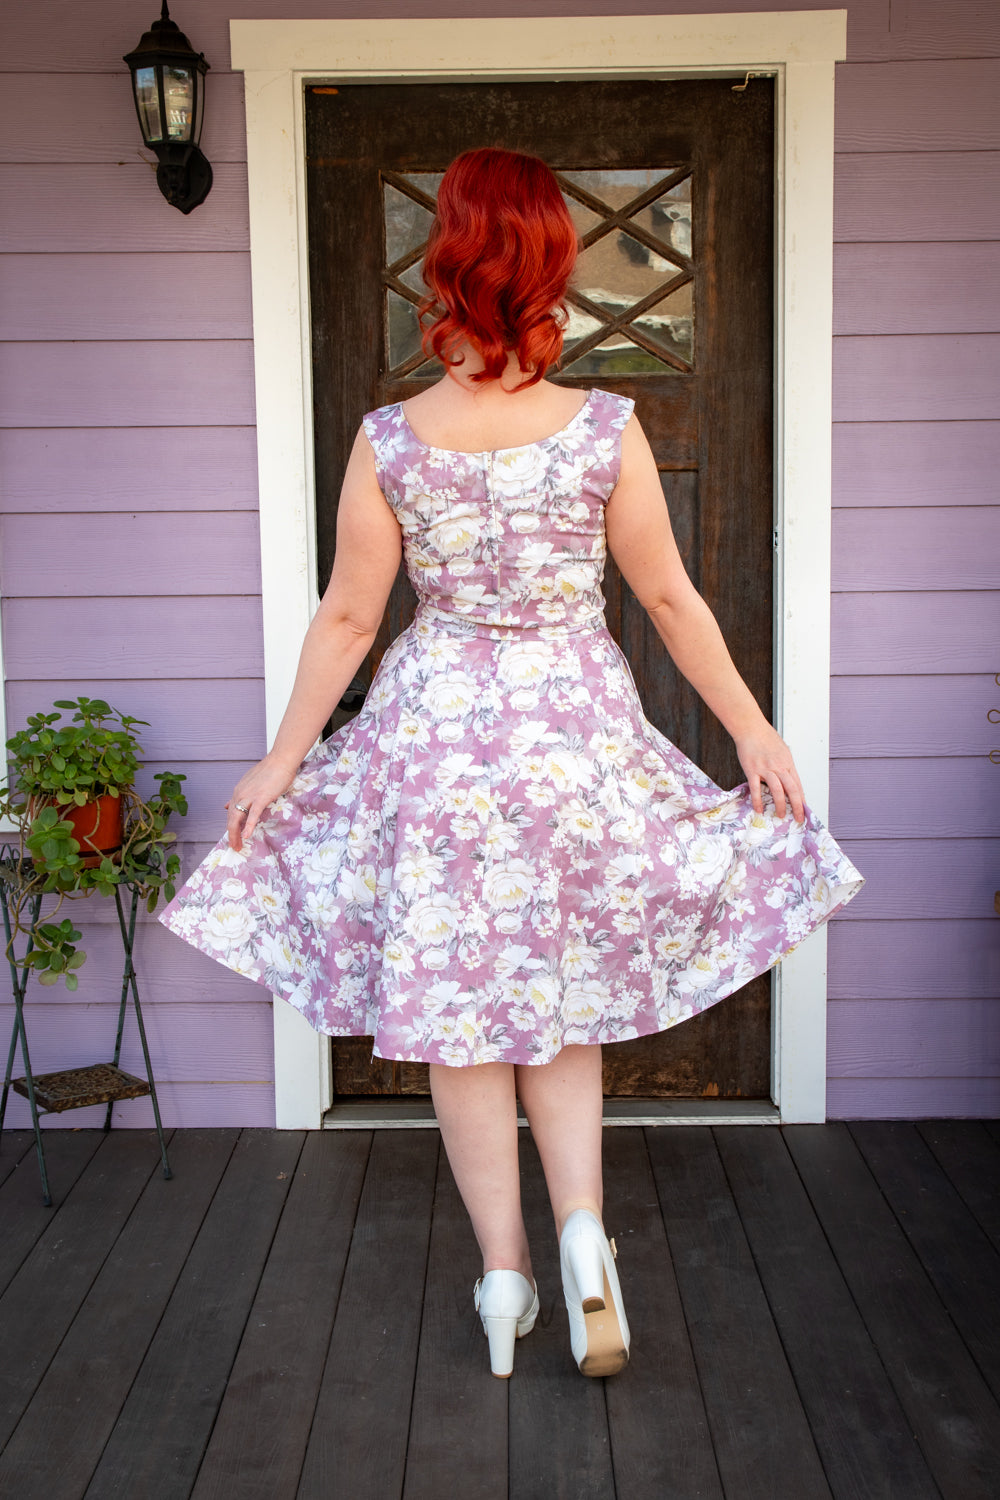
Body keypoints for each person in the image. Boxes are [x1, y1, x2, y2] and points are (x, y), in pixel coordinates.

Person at [159, 147, 864, 1381]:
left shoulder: (393, 436)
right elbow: (666, 596)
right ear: (552, 261)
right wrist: (751, 728)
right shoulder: (603, 427)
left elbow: (346, 619)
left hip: (433, 742)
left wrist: (282, 761)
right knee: (557, 1001)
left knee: (457, 1017)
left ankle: (503, 1279)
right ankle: (586, 1236)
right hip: (569, 736)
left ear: (445, 259)